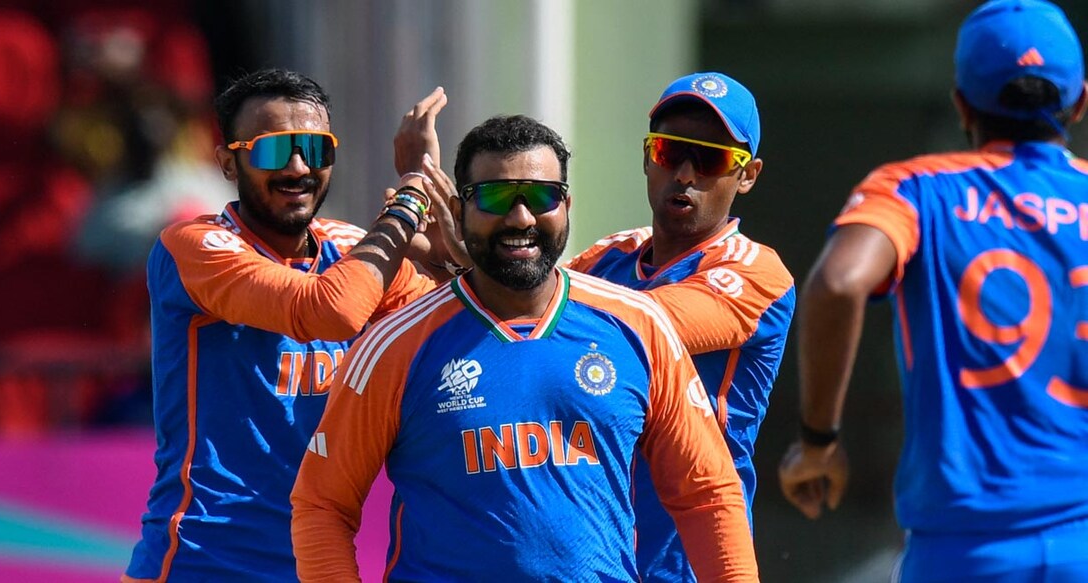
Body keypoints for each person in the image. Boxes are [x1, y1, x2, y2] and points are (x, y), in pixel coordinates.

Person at [290, 114, 759, 582]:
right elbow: (322, 506)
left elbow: (707, 493)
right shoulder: (395, 345)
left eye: (541, 197)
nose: (521, 218)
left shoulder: (639, 326)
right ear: (458, 211)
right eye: (495, 198)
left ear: (566, 206)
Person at [778, 1, 1088, 580]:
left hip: (965, 553)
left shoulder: (916, 188)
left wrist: (819, 441)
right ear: (1080, 102)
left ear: (962, 104)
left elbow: (839, 283)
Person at [122, 68, 446, 582]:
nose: (298, 168)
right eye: (274, 151)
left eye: (315, 149)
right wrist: (410, 199)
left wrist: (452, 251)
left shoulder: (350, 248)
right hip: (203, 561)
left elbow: (453, 320)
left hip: (318, 562)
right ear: (228, 163)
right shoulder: (195, 245)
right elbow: (330, 311)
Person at [564, 72, 794, 582]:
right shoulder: (608, 256)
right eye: (670, 152)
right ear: (648, 157)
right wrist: (458, 257)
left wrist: (527, 285)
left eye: (710, 159)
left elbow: (646, 325)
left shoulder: (757, 270)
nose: (685, 174)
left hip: (688, 560)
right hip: (591, 554)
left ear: (747, 175)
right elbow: (517, 319)